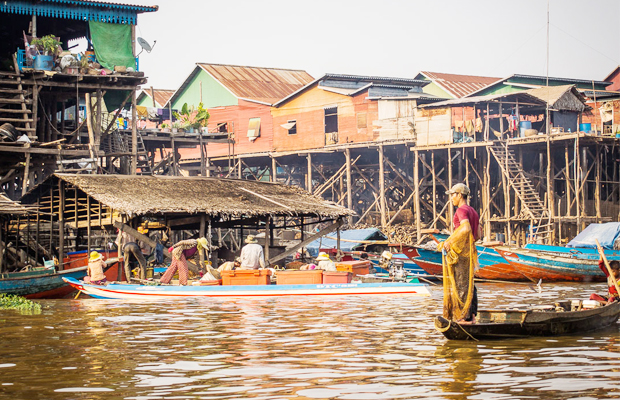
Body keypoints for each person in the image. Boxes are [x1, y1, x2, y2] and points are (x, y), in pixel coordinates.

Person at [437, 183, 481, 323]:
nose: (451, 199)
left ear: (460, 195)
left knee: (461, 285)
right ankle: (472, 316)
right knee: (469, 284)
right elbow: (478, 235)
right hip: (469, 253)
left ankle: (462, 317)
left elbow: (466, 228)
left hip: (461, 254)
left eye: (453, 195)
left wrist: (449, 241)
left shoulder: (461, 210)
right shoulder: (473, 211)